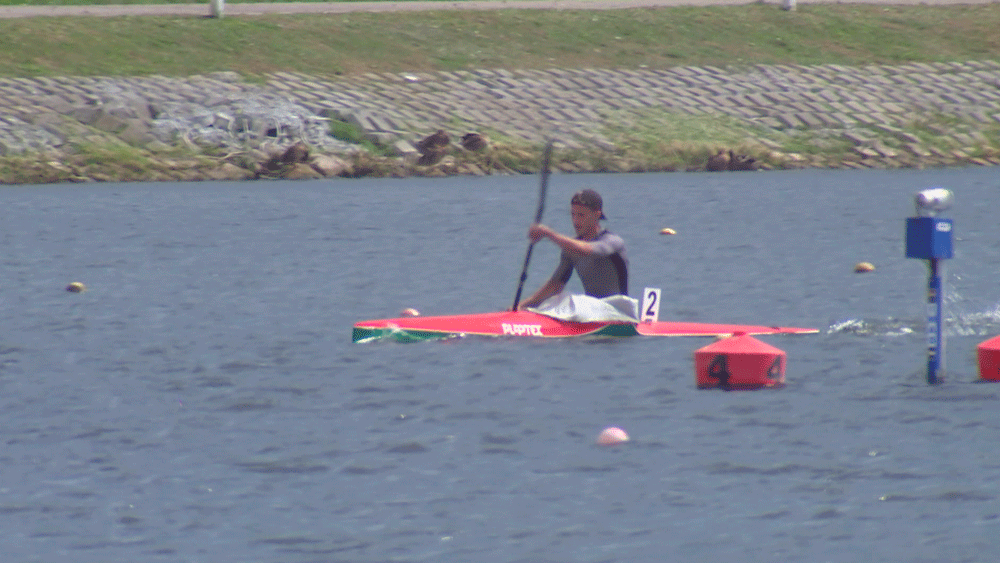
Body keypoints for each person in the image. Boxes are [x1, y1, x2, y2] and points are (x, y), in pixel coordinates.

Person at [516, 188, 629, 310]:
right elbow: (555, 286)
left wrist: (548, 234)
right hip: (593, 313)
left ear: (597, 215)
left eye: (581, 215)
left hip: (619, 314)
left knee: (570, 300)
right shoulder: (570, 250)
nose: (575, 221)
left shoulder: (613, 242)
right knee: (554, 302)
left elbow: (586, 250)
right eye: (573, 214)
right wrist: (523, 305)